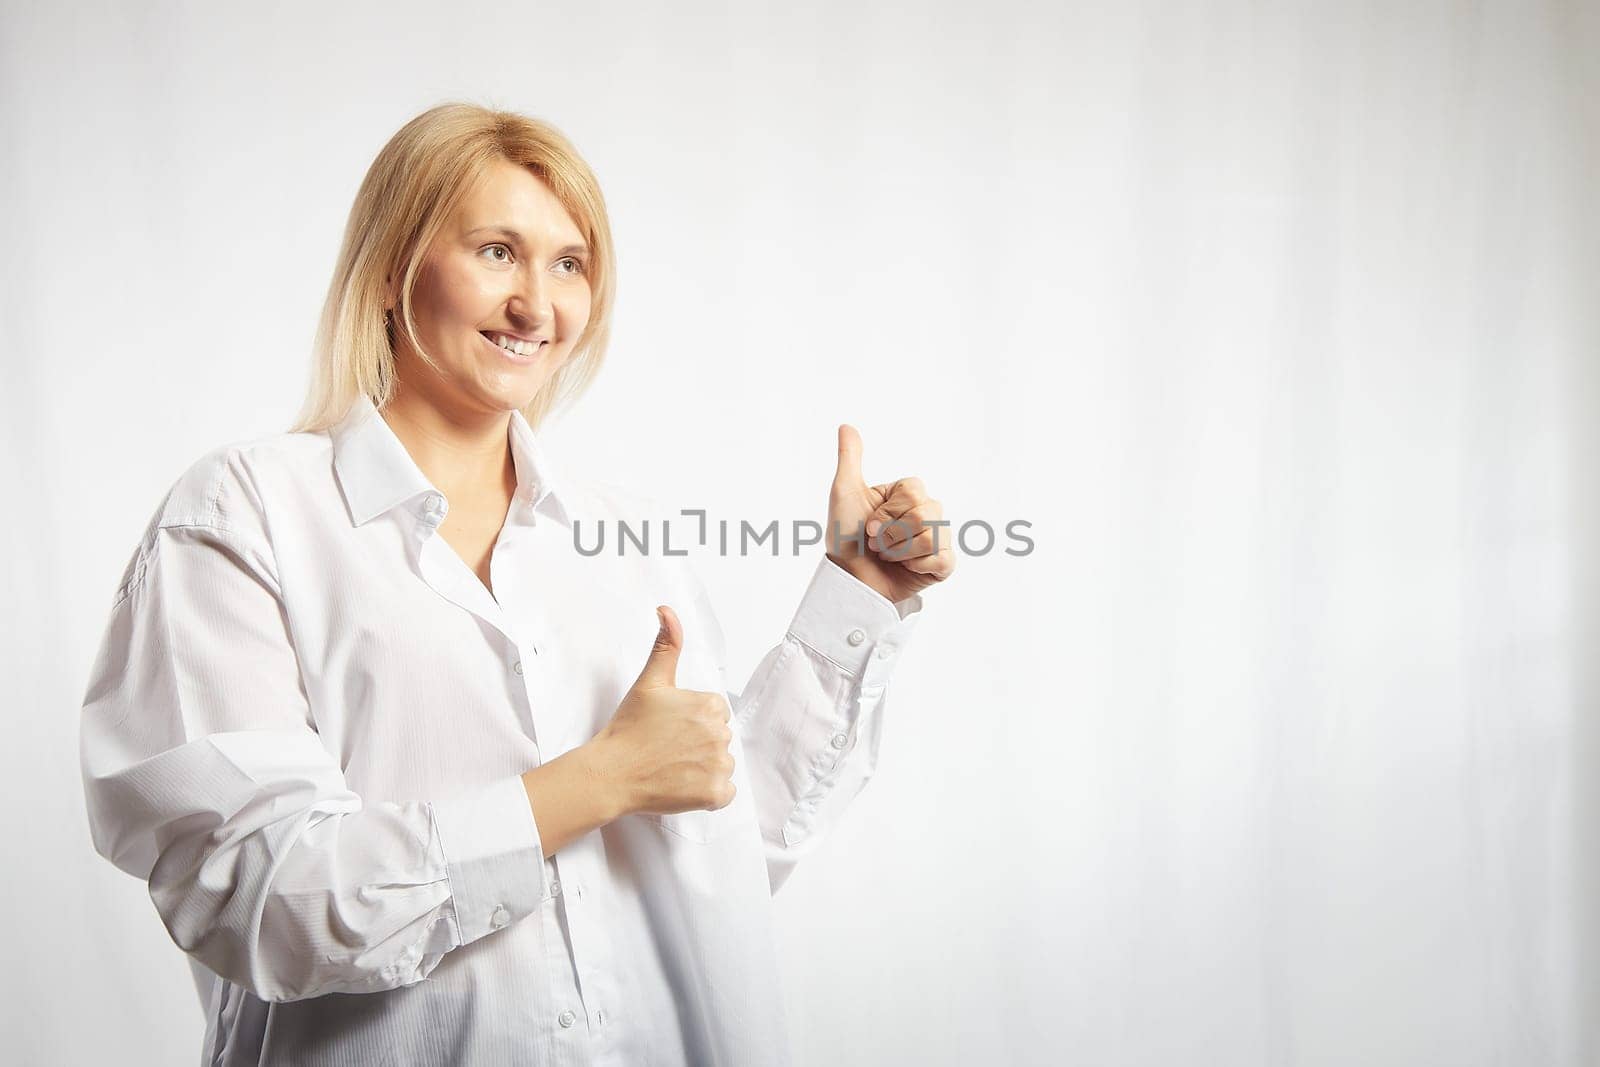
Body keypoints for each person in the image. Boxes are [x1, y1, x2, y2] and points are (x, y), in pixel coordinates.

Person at [78, 101, 954, 1066]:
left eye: (569, 263)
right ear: (389, 272)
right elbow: (257, 893)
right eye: (497, 251)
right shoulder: (242, 513)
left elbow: (729, 853)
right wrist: (594, 781)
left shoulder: (627, 541)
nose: (538, 306)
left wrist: (858, 592)